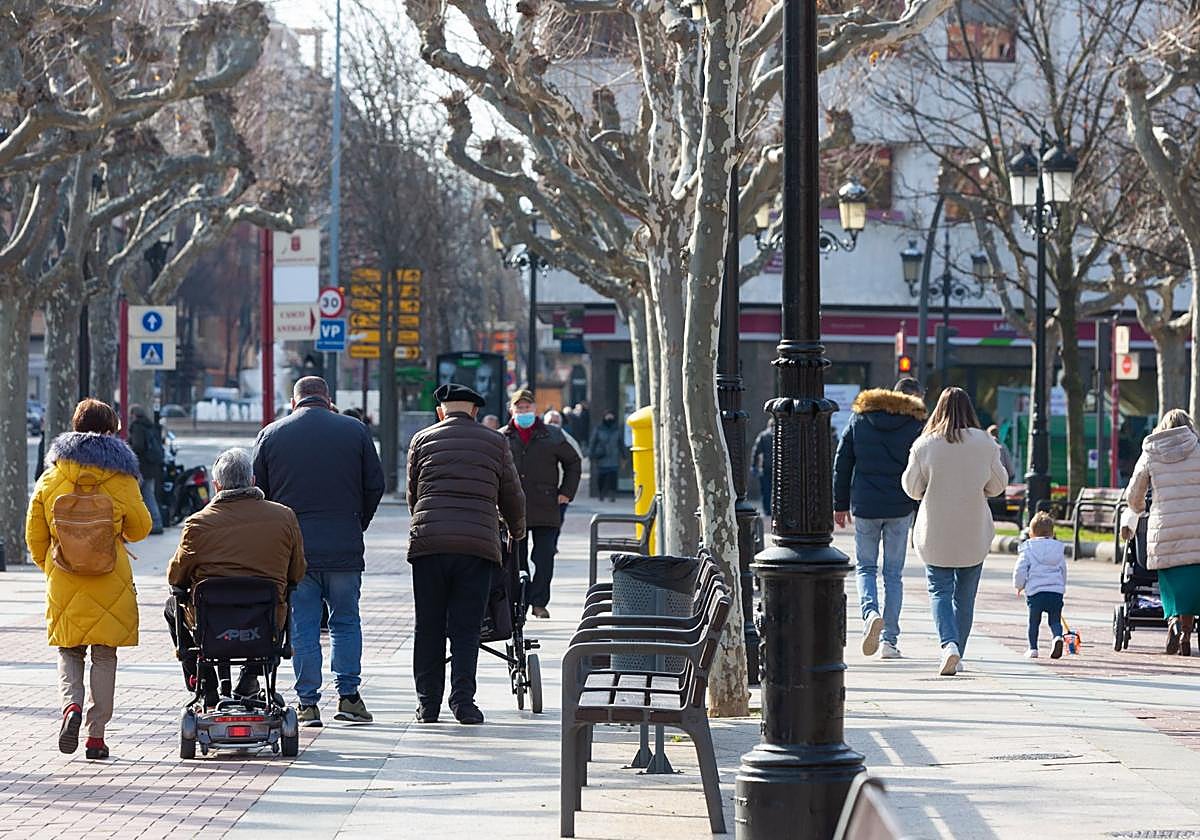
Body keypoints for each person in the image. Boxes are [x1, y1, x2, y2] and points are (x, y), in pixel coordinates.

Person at [253, 376, 385, 727]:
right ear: (328, 398)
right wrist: (357, 523)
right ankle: (349, 697)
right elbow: (376, 485)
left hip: (296, 551)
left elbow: (259, 496)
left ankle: (308, 703)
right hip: (344, 544)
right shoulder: (355, 431)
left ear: (294, 401)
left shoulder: (271, 435)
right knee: (345, 622)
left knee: (303, 626)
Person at [25, 398, 152, 759]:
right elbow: (142, 528)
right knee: (105, 655)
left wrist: (49, 568)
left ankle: (71, 708)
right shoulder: (123, 477)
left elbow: (34, 534)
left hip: (64, 574)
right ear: (111, 430)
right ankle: (96, 736)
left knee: (70, 650)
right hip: (110, 575)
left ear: (74, 428)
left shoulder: (52, 476)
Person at [407, 384, 526, 724]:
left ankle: (427, 704)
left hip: (429, 546)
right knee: (466, 627)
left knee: (427, 626)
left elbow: (413, 496)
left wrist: (427, 525)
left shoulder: (422, 440)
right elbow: (512, 496)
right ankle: (463, 703)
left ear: (441, 411)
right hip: (477, 548)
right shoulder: (495, 442)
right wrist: (517, 530)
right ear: (474, 411)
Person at [165, 448, 307, 707]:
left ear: (217, 485)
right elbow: (297, 572)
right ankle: (252, 675)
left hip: (212, 621)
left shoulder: (198, 524)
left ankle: (205, 681)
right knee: (272, 600)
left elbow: (176, 578)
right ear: (252, 481)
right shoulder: (284, 517)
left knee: (172, 607)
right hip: (265, 619)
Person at [901, 387, 1007, 676]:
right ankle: (958, 650)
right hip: (973, 531)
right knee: (965, 596)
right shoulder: (986, 442)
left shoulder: (925, 444)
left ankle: (948, 645)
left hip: (935, 531)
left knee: (939, 590)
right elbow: (998, 485)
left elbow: (911, 488)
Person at [833, 378, 926, 659]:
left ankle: (869, 613)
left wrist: (840, 504)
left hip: (865, 504)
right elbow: (922, 469)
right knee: (893, 575)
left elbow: (843, 460)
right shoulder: (914, 425)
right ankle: (889, 641)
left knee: (865, 568)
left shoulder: (859, 419)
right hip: (900, 505)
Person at [1124, 408, 1200, 656]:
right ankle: (1187, 633)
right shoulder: (1198, 449)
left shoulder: (1151, 453)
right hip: (1196, 528)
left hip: (1164, 528)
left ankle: (1173, 622)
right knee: (1191, 582)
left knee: (1169, 582)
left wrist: (1138, 508)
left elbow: (1134, 494)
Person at [503, 389, 582, 618]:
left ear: (535, 409)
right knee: (516, 559)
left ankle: (539, 602)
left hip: (547, 508)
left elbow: (574, 463)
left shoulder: (553, 435)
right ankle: (520, 603)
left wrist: (566, 492)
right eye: (519, 408)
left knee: (544, 557)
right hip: (513, 508)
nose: (523, 411)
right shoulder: (502, 437)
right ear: (512, 410)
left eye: (527, 407)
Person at [1013, 511, 1067, 659]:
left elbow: (1020, 569)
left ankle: (1033, 649)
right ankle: (1057, 637)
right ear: (1053, 532)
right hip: (1055, 592)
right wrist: (1062, 587)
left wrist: (1019, 585)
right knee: (1055, 620)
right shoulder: (1058, 549)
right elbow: (1063, 570)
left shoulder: (1028, 549)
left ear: (1031, 533)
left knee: (1034, 621)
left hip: (1035, 593)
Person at [128, 404, 165, 534]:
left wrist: (128, 449)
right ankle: (154, 521)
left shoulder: (137, 427)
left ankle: (153, 522)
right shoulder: (150, 426)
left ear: (134, 415)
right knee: (148, 493)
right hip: (152, 467)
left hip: (142, 467)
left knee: (140, 495)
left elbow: (138, 446)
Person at [588, 411, 625, 503]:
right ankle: (601, 493)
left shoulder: (616, 429)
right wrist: (591, 454)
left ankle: (612, 494)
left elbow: (621, 443)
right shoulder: (599, 429)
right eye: (607, 416)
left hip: (613, 456)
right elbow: (593, 442)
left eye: (611, 416)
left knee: (613, 477)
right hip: (602, 456)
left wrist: (624, 455)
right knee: (601, 477)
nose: (609, 418)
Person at [752, 419, 775, 515]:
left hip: (765, 466)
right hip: (777, 467)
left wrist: (754, 466)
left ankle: (767, 511)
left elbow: (756, 451)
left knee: (766, 490)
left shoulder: (763, 435)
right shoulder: (780, 435)